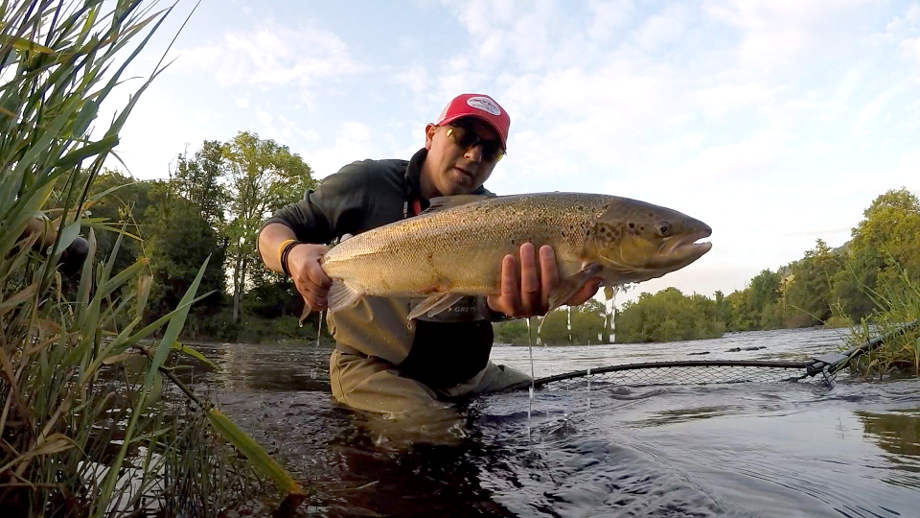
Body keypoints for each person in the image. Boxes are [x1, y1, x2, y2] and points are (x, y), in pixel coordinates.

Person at [258, 93, 599, 418]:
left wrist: (507, 306)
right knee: (439, 434)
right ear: (431, 135)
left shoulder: (497, 217)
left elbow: (488, 307)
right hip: (374, 369)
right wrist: (290, 254)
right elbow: (274, 230)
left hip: (471, 377)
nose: (474, 156)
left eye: (490, 150)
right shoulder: (368, 182)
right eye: (463, 136)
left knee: (551, 408)